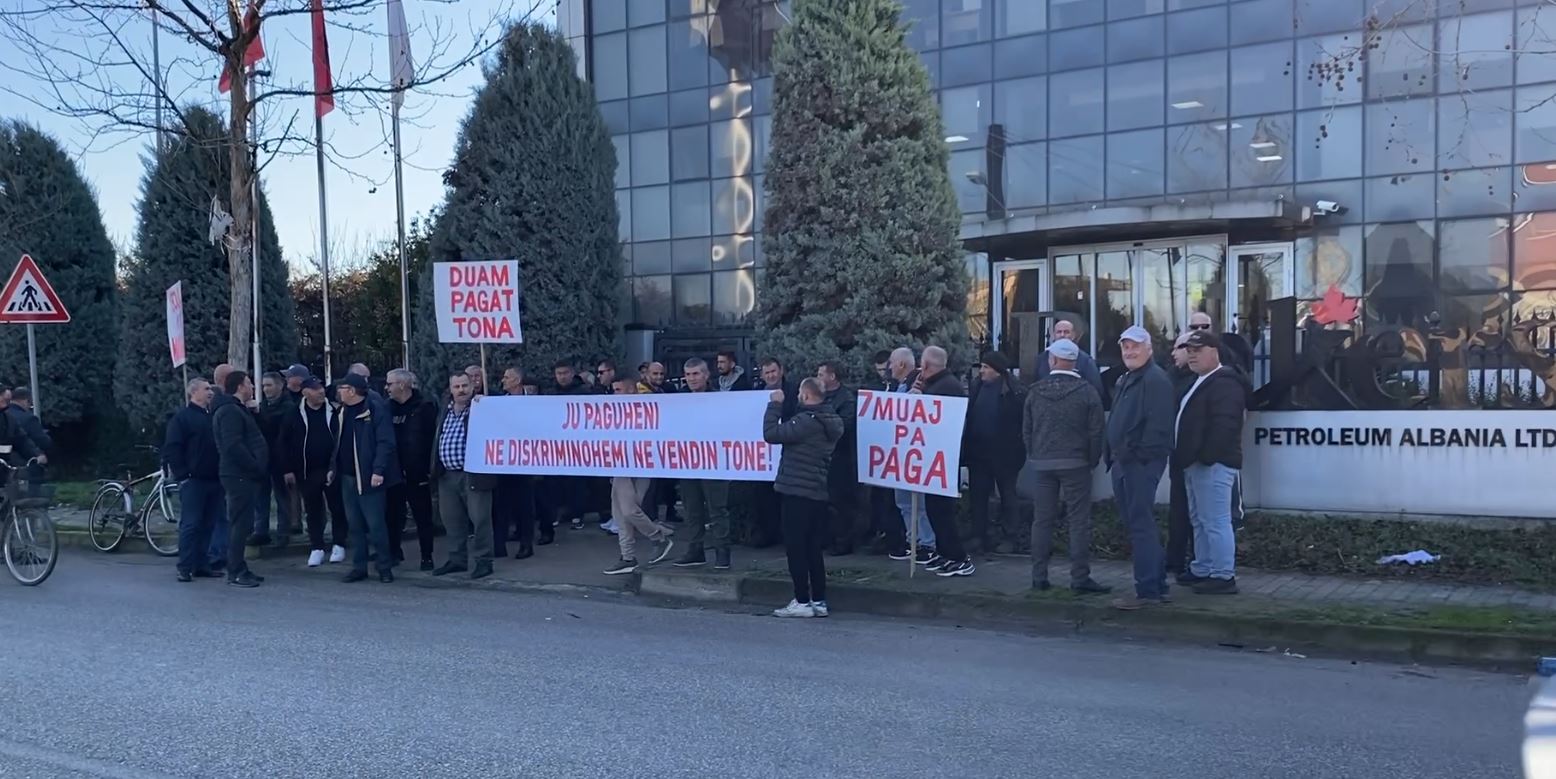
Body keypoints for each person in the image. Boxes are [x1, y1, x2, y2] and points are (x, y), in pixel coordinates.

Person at [1022, 339, 1108, 593]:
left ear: (1052, 360)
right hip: (1076, 463)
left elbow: (1027, 429)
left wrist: (1035, 454)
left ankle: (1039, 577)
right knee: (1078, 520)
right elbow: (1096, 432)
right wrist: (1091, 460)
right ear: (1075, 362)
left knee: (1042, 520)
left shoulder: (1035, 391)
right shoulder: (1087, 391)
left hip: (1043, 463)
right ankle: (1079, 578)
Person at [1106, 326, 1177, 610]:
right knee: (1139, 524)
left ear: (1149, 348)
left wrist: (1135, 455)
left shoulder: (1155, 380)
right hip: (1125, 462)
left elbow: (1159, 427)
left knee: (1140, 526)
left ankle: (1147, 590)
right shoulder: (1129, 378)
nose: (1130, 352)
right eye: (1125, 347)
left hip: (1139, 463)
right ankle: (1155, 585)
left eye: (1135, 346)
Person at [1174, 330, 1250, 595]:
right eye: (1189, 351)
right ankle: (1204, 567)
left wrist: (1206, 456)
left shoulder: (1225, 382)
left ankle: (1223, 575)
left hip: (1213, 464)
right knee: (1201, 519)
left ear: (1213, 352)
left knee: (1216, 520)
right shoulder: (1202, 380)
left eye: (1197, 350)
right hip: (1197, 463)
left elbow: (1226, 424)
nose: (1192, 355)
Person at [764, 378, 844, 618]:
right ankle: (818, 599)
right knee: (812, 549)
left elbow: (771, 433)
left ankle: (801, 600)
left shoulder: (805, 421)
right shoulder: (831, 421)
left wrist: (774, 406)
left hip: (796, 491)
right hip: (817, 492)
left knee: (796, 547)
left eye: (800, 392)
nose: (797, 396)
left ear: (807, 396)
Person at [911, 346, 975, 577]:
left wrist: (920, 400)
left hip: (944, 459)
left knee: (942, 511)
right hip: (935, 458)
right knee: (933, 508)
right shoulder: (940, 384)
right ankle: (945, 552)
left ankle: (959, 557)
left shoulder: (948, 387)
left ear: (926, 365)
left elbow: (938, 419)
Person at [329, 373, 400, 583]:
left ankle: (384, 567)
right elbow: (338, 443)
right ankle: (359, 567)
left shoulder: (375, 410)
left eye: (342, 388)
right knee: (355, 525)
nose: (338, 392)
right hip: (348, 477)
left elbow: (385, 442)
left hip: (369, 478)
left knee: (376, 525)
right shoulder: (342, 412)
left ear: (351, 391)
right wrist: (334, 466)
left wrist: (378, 470)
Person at [602, 377, 675, 574]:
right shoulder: (614, 413)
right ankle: (627, 556)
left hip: (642, 464)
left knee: (629, 511)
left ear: (632, 391)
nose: (614, 394)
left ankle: (659, 537)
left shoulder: (647, 410)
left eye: (618, 389)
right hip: (620, 464)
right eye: (613, 390)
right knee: (619, 513)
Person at [431, 371, 497, 580]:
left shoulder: (482, 408)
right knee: (452, 520)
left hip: (473, 474)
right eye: (457, 386)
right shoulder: (445, 410)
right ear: (450, 389)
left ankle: (483, 561)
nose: (461, 390)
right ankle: (457, 559)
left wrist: (486, 406)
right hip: (447, 475)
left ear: (473, 386)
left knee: (480, 520)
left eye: (465, 386)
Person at [673, 357, 735, 569]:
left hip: (714, 461)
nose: (691, 378)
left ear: (706, 375)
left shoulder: (720, 399)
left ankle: (722, 551)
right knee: (692, 509)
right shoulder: (678, 400)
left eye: (696, 374)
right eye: (688, 374)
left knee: (717, 508)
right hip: (687, 462)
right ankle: (695, 550)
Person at [279, 376, 346, 567]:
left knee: (337, 507)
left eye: (322, 388)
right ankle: (316, 546)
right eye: (316, 389)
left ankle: (339, 543)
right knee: (312, 509)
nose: (321, 392)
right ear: (305, 392)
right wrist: (287, 469)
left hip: (332, 468)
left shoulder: (334, 411)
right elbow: (283, 443)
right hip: (306, 470)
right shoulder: (293, 413)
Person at [963, 352, 1024, 556]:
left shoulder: (1014, 392)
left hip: (1005, 455)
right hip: (978, 454)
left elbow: (1021, 424)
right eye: (981, 367)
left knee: (1008, 496)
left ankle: (1010, 537)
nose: (982, 371)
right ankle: (979, 535)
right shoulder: (976, 387)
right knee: (978, 497)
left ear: (998, 371)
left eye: (986, 368)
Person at [211, 371, 267, 588]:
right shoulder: (229, 411)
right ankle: (235, 571)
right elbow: (233, 445)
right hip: (239, 475)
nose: (253, 387)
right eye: (249, 383)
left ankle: (239, 567)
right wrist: (254, 466)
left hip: (242, 474)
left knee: (243, 523)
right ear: (240, 386)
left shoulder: (237, 409)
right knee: (240, 524)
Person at [165, 377, 223, 582]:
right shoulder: (182, 418)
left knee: (208, 524)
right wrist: (183, 475)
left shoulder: (211, 416)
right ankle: (185, 566)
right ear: (193, 392)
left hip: (214, 479)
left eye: (210, 389)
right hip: (194, 480)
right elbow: (173, 447)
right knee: (191, 524)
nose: (210, 392)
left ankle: (201, 564)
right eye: (206, 389)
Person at [884, 346, 935, 562]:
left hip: (914, 455)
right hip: (900, 455)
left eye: (891, 363)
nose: (889, 367)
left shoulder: (920, 384)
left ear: (902, 365)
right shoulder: (901, 386)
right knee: (904, 502)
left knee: (918, 504)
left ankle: (927, 543)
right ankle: (912, 539)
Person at [386, 368, 437, 571]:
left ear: (402, 384)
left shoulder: (424, 407)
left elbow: (432, 439)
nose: (387, 388)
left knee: (422, 516)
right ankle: (393, 551)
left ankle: (427, 556)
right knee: (392, 515)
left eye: (390, 384)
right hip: (393, 472)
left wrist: (429, 468)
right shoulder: (386, 408)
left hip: (417, 472)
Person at [815, 361, 858, 556]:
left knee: (841, 503)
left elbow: (845, 427)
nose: (818, 378)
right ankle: (826, 538)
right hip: (822, 459)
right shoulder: (819, 396)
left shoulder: (846, 399)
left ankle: (843, 541)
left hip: (839, 459)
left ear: (832, 377)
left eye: (821, 374)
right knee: (824, 502)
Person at [1165, 331, 1198, 576]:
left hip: (1197, 455)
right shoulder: (1170, 377)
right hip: (1176, 453)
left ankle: (1198, 562)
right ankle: (1175, 560)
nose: (1173, 353)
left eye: (1178, 348)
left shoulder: (1201, 381)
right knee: (1178, 510)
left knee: (1199, 512)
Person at [254, 371, 293, 548]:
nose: (265, 389)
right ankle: (261, 530)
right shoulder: (262, 406)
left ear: (280, 386)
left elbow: (283, 434)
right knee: (261, 496)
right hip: (263, 458)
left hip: (281, 459)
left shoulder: (288, 407)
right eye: (263, 386)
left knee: (282, 497)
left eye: (269, 385)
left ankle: (283, 532)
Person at [1034, 319, 1105, 400]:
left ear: (1074, 335)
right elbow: (1034, 386)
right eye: (1059, 332)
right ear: (1053, 335)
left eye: (1066, 332)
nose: (1062, 335)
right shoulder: (1042, 359)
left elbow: (1096, 391)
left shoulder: (1086, 360)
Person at [6, 387, 49, 483]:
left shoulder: (4, 416)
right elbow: (40, 442)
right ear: (26, 401)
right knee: (30, 495)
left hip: (5, 468)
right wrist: (38, 455)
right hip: (25, 468)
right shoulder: (28, 418)